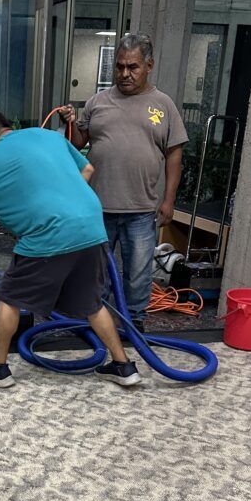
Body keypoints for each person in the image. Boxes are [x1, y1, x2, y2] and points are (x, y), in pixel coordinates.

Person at [0, 110, 141, 389]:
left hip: (48, 235)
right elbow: (88, 169)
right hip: (91, 227)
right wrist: (64, 202)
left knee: (10, 297)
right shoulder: (47, 137)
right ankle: (123, 365)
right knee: (92, 303)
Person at [58, 32, 188, 333]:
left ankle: (134, 322)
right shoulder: (98, 102)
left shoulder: (163, 105)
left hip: (141, 207)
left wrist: (168, 200)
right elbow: (78, 142)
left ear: (149, 65)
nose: (125, 74)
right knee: (95, 270)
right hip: (97, 205)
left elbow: (174, 156)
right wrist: (69, 122)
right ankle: (95, 318)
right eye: (119, 67)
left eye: (133, 67)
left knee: (138, 272)